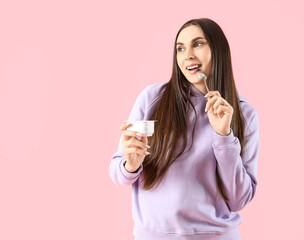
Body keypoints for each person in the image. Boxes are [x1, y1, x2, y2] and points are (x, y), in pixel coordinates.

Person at [109, 18, 259, 240]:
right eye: (180, 48)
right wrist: (129, 165)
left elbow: (239, 199)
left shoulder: (244, 114)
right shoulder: (151, 99)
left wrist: (223, 136)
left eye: (198, 44)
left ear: (218, 51)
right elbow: (117, 173)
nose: (187, 54)